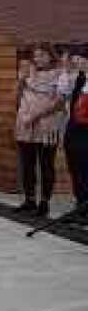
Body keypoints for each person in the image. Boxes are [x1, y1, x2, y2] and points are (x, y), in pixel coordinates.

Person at [14, 43, 67, 217]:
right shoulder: (28, 73)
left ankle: (44, 203)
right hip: (26, 125)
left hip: (47, 126)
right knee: (27, 165)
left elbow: (59, 103)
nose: (38, 59)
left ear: (51, 56)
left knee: (46, 165)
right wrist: (20, 80)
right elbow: (17, 96)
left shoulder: (60, 74)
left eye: (42, 55)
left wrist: (35, 115)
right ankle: (29, 200)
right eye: (35, 56)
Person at [63, 50, 88, 221]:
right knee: (75, 169)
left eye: (80, 58)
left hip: (86, 132)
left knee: (85, 171)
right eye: (76, 59)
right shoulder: (80, 78)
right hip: (74, 129)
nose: (76, 61)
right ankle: (80, 205)